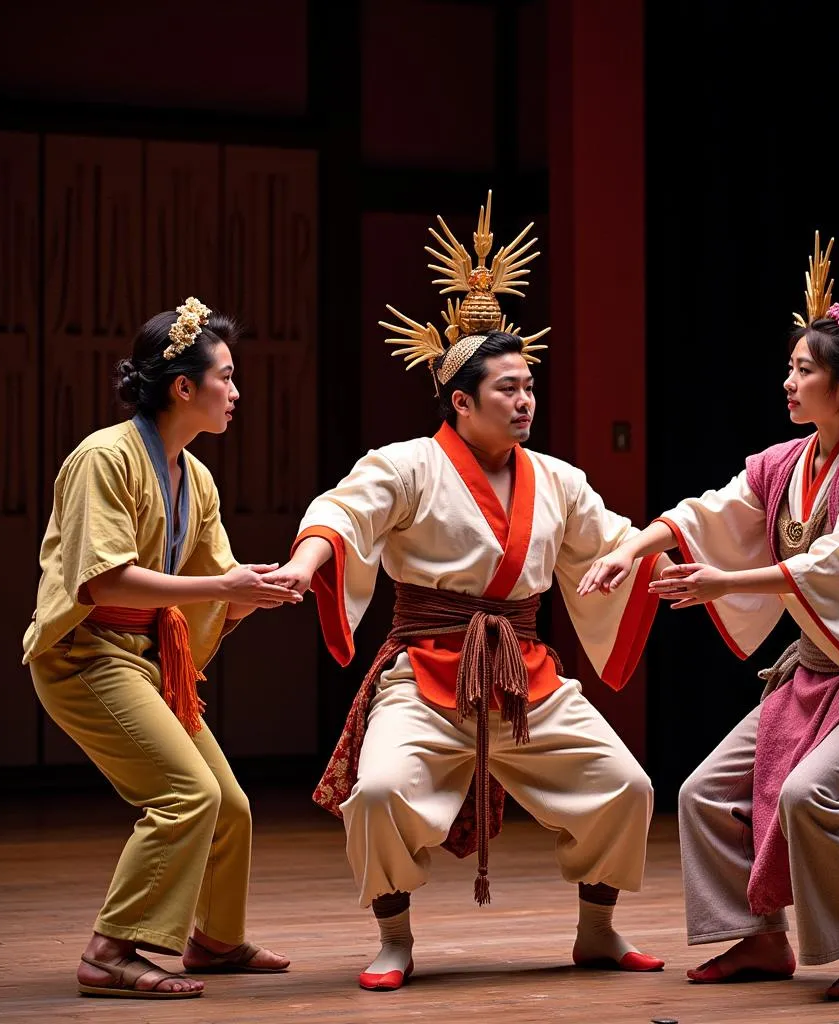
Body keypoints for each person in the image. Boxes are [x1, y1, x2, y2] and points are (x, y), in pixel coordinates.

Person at [266, 194, 668, 990]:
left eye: (529, 388)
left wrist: (654, 557)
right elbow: (343, 514)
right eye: (507, 390)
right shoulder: (407, 463)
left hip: (525, 672)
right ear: (460, 400)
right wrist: (307, 564)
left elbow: (614, 535)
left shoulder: (555, 479)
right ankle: (394, 939)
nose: (524, 402)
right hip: (426, 670)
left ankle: (598, 930)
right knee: (377, 792)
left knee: (627, 787)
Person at [578, 235, 839, 1001]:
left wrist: (724, 580)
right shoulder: (789, 464)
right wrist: (636, 549)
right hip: (823, 666)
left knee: (810, 795)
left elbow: (838, 569)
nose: (787, 382)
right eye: (790, 367)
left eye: (803, 370)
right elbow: (712, 508)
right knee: (702, 792)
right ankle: (760, 942)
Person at [23, 298, 299, 999]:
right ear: (184, 387)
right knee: (186, 794)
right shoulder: (103, 457)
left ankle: (214, 939)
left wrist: (265, 588)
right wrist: (222, 586)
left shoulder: (194, 476)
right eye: (226, 378)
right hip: (85, 655)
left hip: (146, 659)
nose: (236, 393)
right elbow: (106, 578)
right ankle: (110, 949)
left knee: (228, 806)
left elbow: (213, 583)